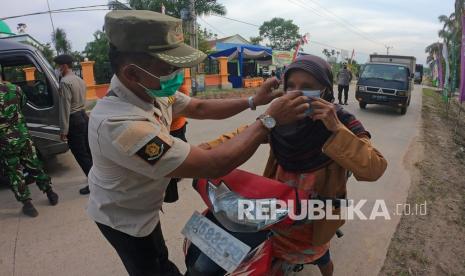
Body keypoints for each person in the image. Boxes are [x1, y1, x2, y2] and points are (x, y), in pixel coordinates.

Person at [87, 10, 310, 276]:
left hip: (143, 203)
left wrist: (253, 101)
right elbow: (214, 164)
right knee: (148, 266)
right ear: (132, 73)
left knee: (159, 257)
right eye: (169, 68)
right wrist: (268, 120)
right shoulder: (119, 124)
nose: (178, 74)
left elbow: (200, 107)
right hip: (123, 217)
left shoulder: (148, 90)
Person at [201, 55, 388, 276]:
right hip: (278, 208)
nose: (297, 93)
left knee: (320, 256)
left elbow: (374, 168)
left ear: (326, 91)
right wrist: (199, 153)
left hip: (317, 214)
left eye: (307, 87)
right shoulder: (280, 118)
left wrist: (336, 128)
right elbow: (241, 135)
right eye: (291, 86)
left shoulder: (343, 121)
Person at [0, 80, 59, 217]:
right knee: (34, 164)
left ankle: (28, 205)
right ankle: (50, 193)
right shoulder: (15, 88)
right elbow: (22, 104)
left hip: (4, 141)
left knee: (15, 172)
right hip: (22, 135)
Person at [54, 54, 93, 195]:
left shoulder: (65, 82)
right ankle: (97, 180)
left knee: (81, 155)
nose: (57, 69)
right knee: (88, 152)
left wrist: (63, 130)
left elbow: (65, 107)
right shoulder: (79, 79)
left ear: (64, 66)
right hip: (84, 117)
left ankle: (94, 185)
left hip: (74, 121)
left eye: (58, 66)